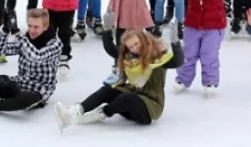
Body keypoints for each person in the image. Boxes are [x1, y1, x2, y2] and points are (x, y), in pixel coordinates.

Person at [54, 27, 185, 131]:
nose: (134, 48)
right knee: (108, 90)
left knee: (126, 98)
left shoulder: (157, 55)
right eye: (131, 46)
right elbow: (111, 49)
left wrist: (175, 43)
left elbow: (177, 62)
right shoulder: (128, 57)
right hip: (129, 102)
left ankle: (97, 115)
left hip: (149, 109)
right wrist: (106, 30)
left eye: (136, 43)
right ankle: (73, 113)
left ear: (143, 39)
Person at [175, 0, 227, 96]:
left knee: (208, 54)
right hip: (193, 23)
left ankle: (210, 81)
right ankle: (183, 79)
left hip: (214, 25)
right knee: (189, 53)